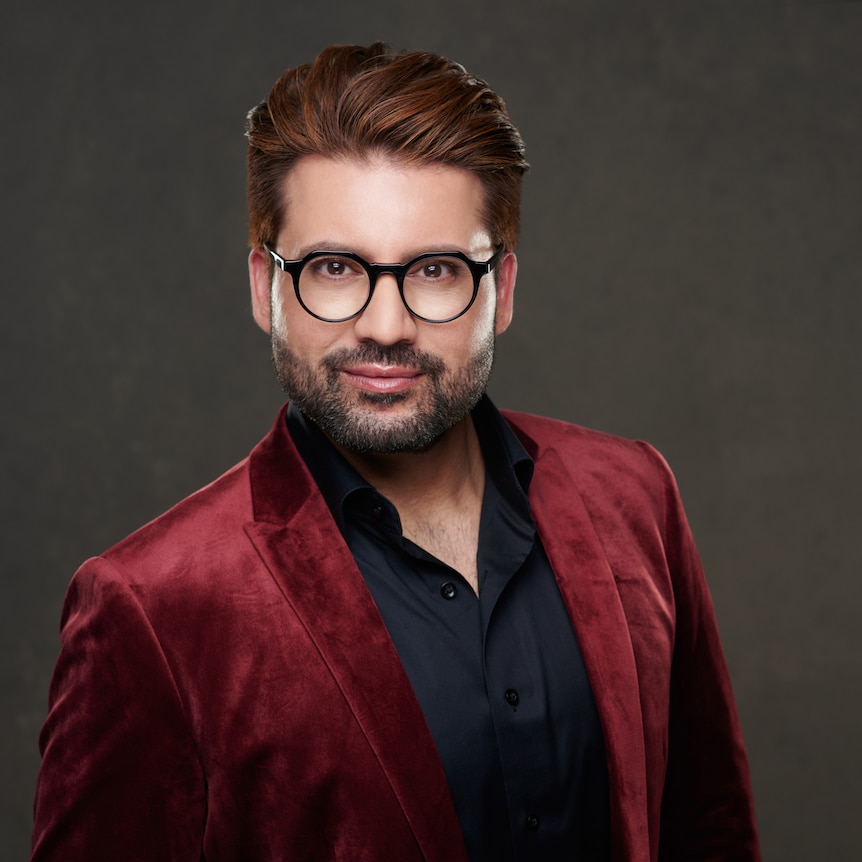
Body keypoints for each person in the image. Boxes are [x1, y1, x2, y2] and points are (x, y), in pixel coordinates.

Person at [31, 43, 760, 862]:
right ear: (262, 289)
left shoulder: (636, 496)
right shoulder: (150, 608)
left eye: (437, 270)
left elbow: (713, 831)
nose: (385, 326)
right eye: (334, 267)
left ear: (503, 291)